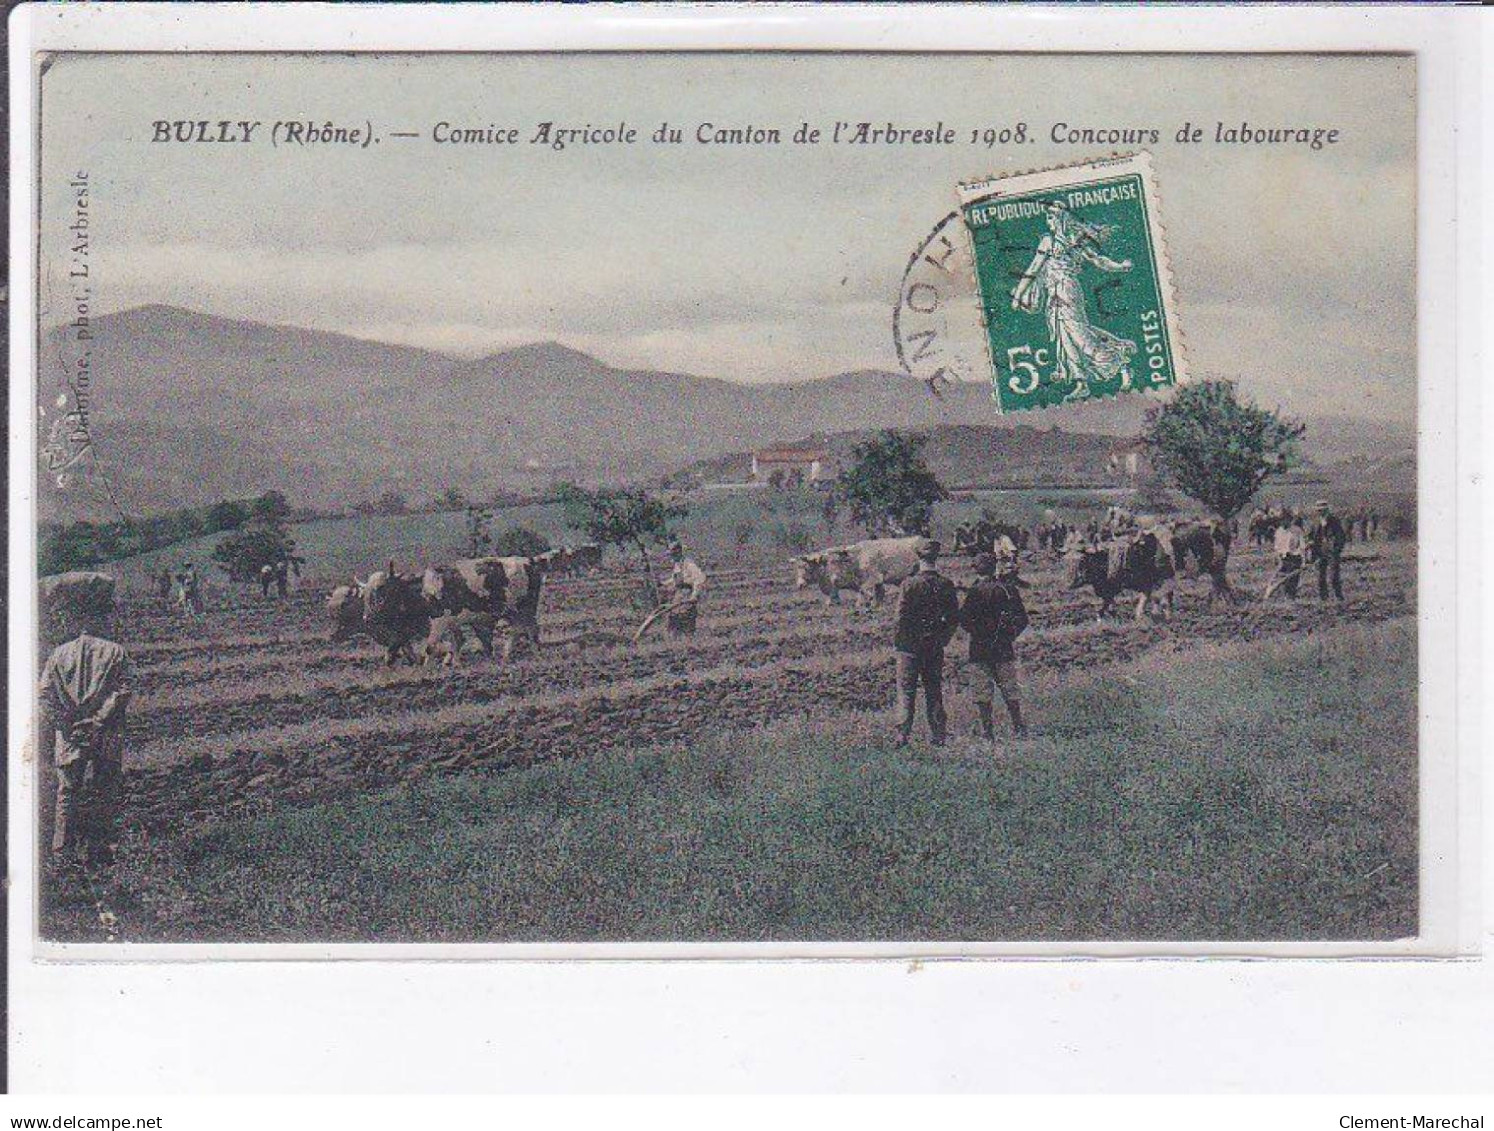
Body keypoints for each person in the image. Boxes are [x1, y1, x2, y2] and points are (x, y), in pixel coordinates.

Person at [38, 604, 131, 866]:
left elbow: (44, 695)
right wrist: (98, 720)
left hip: (69, 734)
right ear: (101, 620)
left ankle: (61, 853)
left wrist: (66, 722)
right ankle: (98, 850)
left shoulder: (58, 654)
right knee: (104, 790)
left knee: (67, 792)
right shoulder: (116, 651)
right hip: (105, 731)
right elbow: (123, 691)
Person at [893, 539, 960, 748]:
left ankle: (902, 736)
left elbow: (900, 617)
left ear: (918, 557)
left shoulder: (909, 584)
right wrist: (943, 639)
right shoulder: (946, 584)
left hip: (909, 647)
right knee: (934, 690)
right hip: (934, 646)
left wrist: (900, 642)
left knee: (906, 691)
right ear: (936, 558)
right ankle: (938, 735)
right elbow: (953, 618)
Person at [960, 549, 1030, 744]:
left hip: (979, 650)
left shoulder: (974, 592)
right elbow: (1023, 619)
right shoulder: (1007, 589)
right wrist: (1009, 636)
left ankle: (988, 733)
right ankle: (1018, 727)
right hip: (1003, 648)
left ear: (976, 570)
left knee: (983, 693)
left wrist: (979, 633)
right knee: (1010, 690)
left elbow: (964, 621)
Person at [663, 541, 707, 636]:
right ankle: (675, 640)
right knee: (674, 617)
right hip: (678, 594)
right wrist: (663, 583)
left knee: (686, 618)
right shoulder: (677, 565)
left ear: (679, 552)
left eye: (674, 554)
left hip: (687, 593)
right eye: (671, 555)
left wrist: (694, 595)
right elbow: (675, 579)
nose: (672, 557)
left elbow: (699, 579)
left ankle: (687, 642)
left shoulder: (689, 564)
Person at [1308, 500, 1347, 603]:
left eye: (1323, 510)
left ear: (1327, 510)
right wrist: (1311, 543)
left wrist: (1336, 549)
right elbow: (1311, 536)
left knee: (1334, 576)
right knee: (1320, 576)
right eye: (1319, 510)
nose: (1321, 512)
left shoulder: (1334, 521)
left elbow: (1341, 537)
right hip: (1319, 552)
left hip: (1332, 552)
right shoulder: (1315, 522)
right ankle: (1324, 598)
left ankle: (1338, 596)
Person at [1272, 516, 1307, 599]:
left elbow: (1302, 546)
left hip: (1295, 557)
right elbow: (1276, 546)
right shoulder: (1279, 531)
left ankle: (1291, 596)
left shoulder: (1297, 530)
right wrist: (1277, 557)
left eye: (1286, 520)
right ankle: (1286, 595)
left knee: (1293, 578)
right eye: (1282, 521)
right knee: (1284, 578)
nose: (1284, 522)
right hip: (1284, 558)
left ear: (1289, 520)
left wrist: (1304, 560)